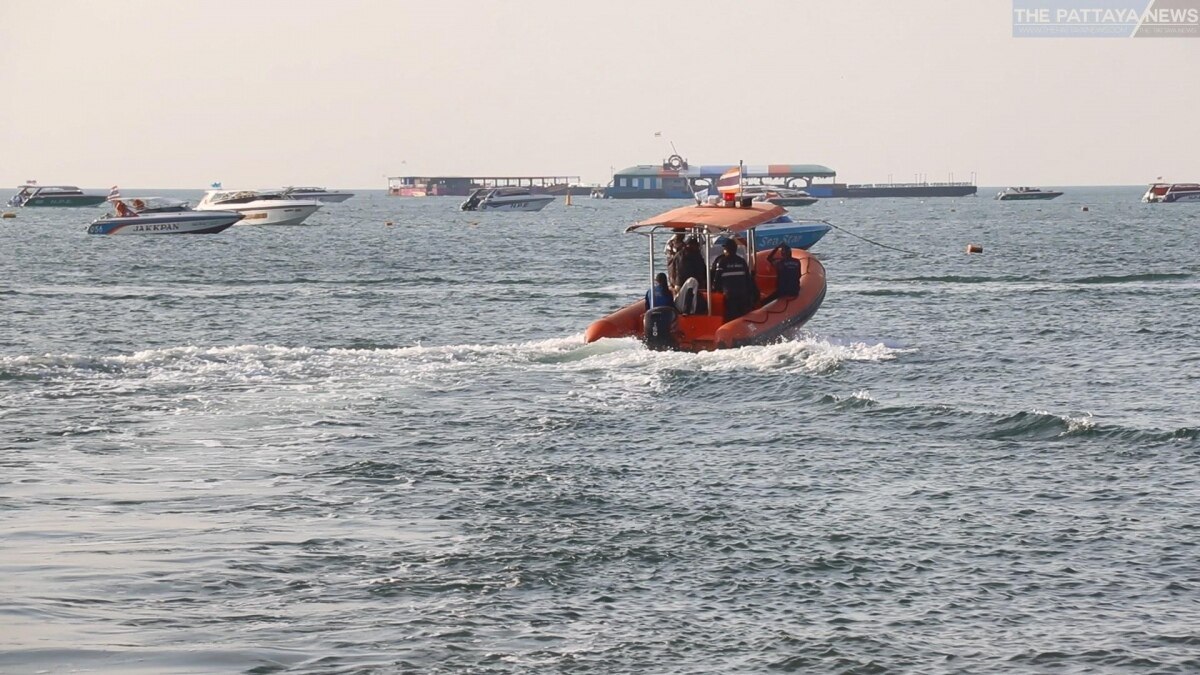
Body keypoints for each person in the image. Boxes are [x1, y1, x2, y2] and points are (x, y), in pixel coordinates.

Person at [710, 238, 757, 321]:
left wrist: (714, 289)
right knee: (743, 317)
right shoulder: (742, 261)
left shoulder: (722, 262)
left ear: (727, 249)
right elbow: (748, 279)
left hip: (730, 296)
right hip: (743, 295)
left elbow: (716, 280)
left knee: (732, 318)